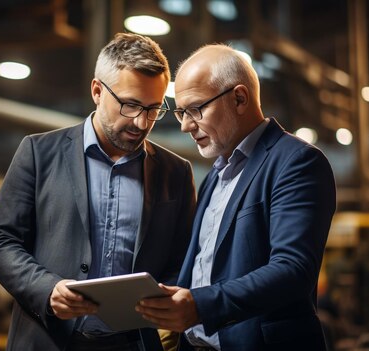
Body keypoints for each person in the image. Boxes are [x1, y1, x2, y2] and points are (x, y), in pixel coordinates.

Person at [0, 33, 197, 351]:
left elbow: (183, 258)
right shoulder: (38, 153)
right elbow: (0, 243)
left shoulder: (176, 173)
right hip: (47, 339)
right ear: (97, 91)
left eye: (153, 109)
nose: (141, 122)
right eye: (130, 105)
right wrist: (48, 289)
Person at [136, 44, 337, 350]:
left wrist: (200, 305)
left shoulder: (296, 162)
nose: (185, 125)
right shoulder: (214, 176)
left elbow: (293, 269)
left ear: (239, 98)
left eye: (195, 109)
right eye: (180, 111)